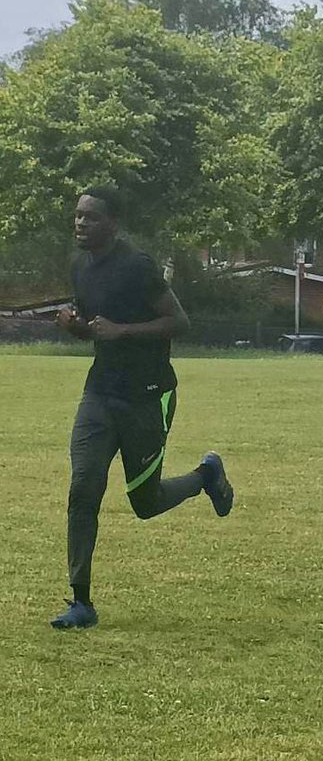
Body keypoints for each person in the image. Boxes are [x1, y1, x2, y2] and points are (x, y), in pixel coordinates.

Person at [51, 185, 234, 630]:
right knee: (83, 488)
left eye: (90, 217)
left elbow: (179, 322)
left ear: (113, 223)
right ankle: (81, 602)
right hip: (99, 394)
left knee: (145, 503)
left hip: (148, 395)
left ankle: (206, 475)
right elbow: (97, 330)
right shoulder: (80, 267)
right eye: (77, 216)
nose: (80, 223)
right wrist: (76, 328)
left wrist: (122, 331)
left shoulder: (138, 266)